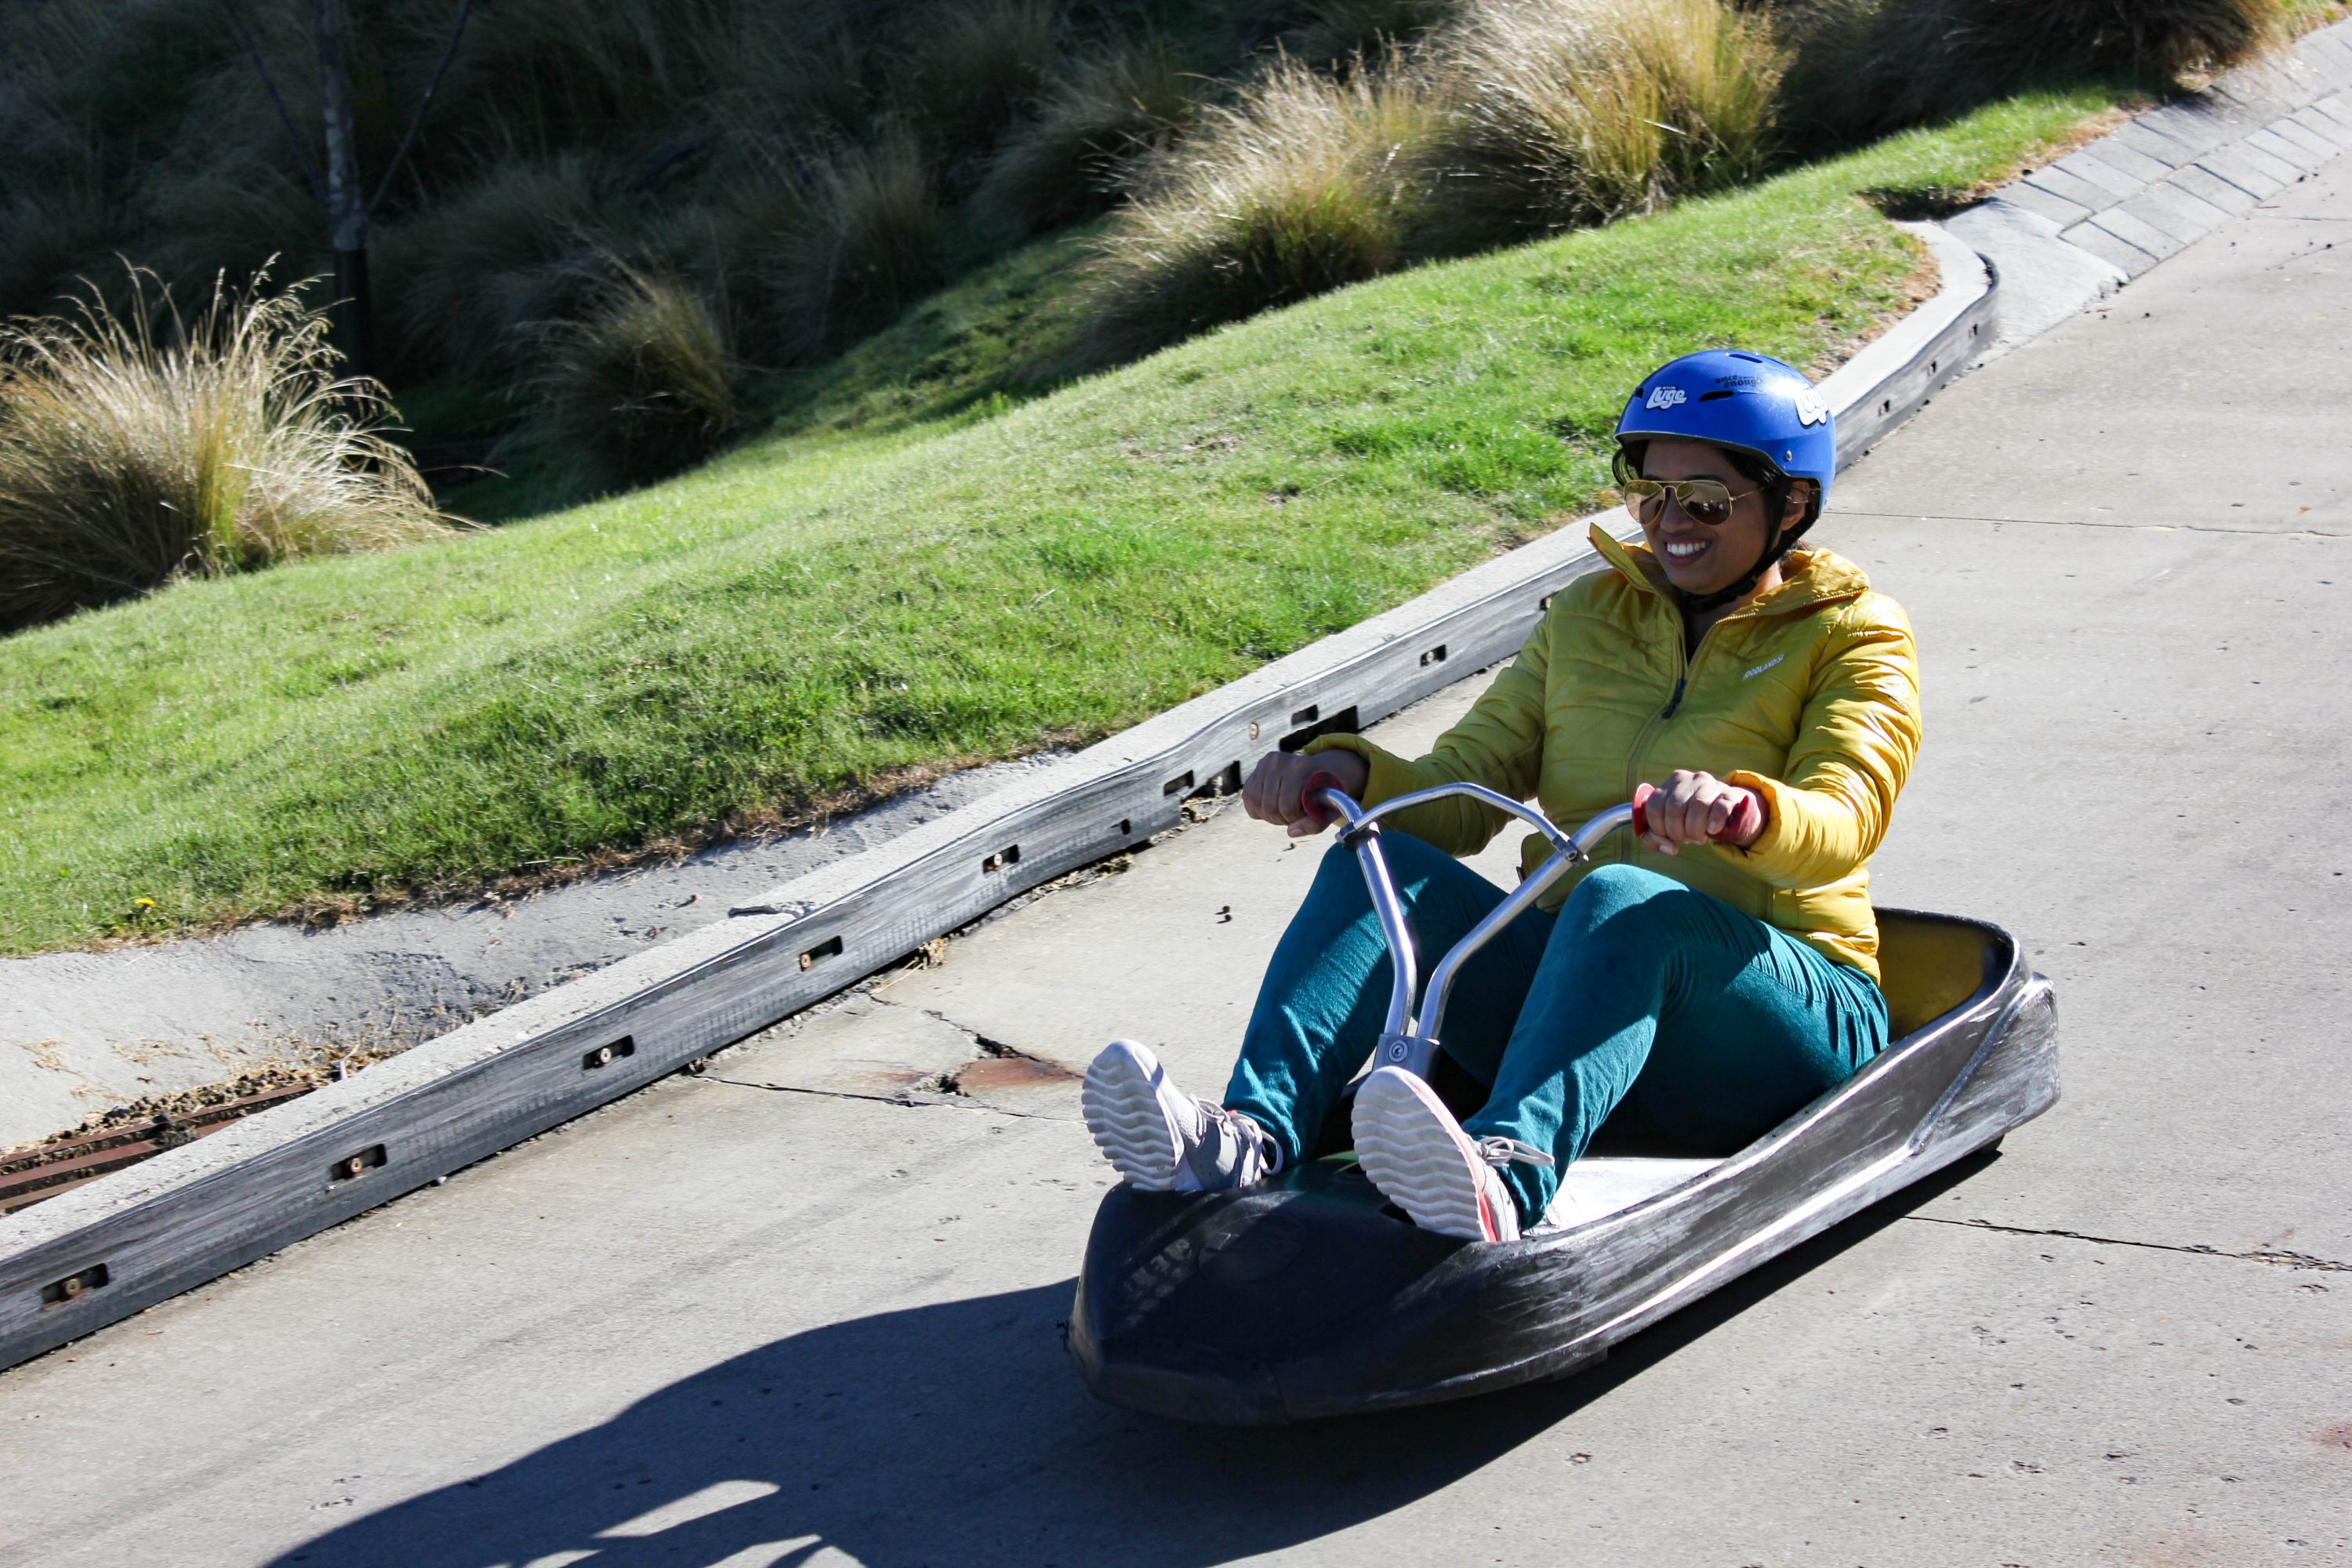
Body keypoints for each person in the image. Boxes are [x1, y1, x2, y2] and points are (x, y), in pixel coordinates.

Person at [1080, 350, 1922, 1242]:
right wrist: (1350, 773)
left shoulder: (1854, 635)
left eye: (1707, 499)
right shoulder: (1588, 619)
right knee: (1384, 863)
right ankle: (1252, 1136)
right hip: (1583, 994)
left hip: (1774, 1012)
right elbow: (1466, 791)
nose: (1671, 521)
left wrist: (1749, 810)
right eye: (1648, 491)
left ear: (1790, 503)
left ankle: (1502, 1174)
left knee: (1624, 896)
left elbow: (1846, 814)